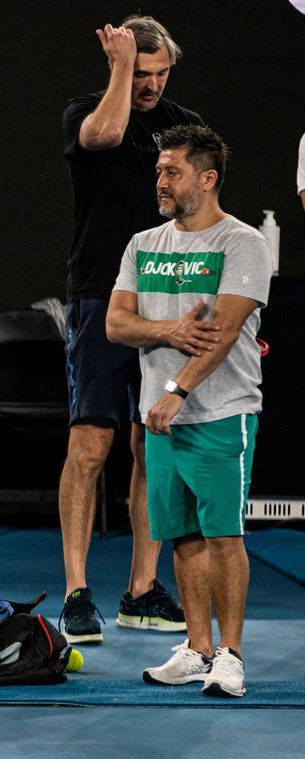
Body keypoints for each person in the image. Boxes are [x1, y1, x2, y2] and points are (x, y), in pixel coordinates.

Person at [106, 124, 271, 698]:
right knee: (184, 536)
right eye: (159, 171)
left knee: (224, 536)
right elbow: (115, 324)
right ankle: (197, 648)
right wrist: (169, 332)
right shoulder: (142, 244)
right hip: (161, 418)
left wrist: (176, 389)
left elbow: (222, 332)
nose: (161, 180)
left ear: (208, 178)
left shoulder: (242, 243)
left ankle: (231, 655)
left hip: (220, 412)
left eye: (172, 171)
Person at [58, 15, 202, 643]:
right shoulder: (86, 111)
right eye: (139, 72)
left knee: (154, 444)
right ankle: (76, 592)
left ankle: (142, 590)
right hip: (100, 297)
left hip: (168, 302)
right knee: (91, 445)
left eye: (158, 73)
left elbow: (201, 212)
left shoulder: (185, 130)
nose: (150, 84)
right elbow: (108, 133)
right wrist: (117, 70)